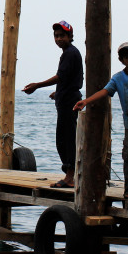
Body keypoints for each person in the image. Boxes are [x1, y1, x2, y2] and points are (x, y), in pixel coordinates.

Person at [74, 41, 128, 199]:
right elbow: (104, 91)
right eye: (126, 57)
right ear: (121, 60)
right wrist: (86, 101)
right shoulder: (118, 78)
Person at [22, 21, 83, 187]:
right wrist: (59, 91)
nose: (58, 39)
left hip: (69, 101)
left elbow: (60, 77)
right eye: (56, 36)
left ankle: (70, 177)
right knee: (64, 139)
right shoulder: (69, 53)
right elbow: (75, 78)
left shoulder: (70, 53)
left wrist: (37, 85)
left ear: (70, 37)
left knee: (66, 140)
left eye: (62, 36)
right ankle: (71, 174)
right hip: (67, 97)